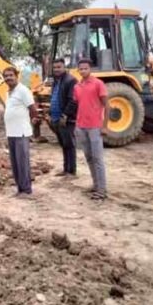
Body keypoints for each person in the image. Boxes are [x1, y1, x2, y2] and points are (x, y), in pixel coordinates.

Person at [74, 58, 109, 200]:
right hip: (81, 127)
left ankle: (102, 190)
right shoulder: (77, 86)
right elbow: (79, 105)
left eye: (85, 68)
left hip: (95, 127)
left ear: (90, 69)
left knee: (97, 158)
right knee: (89, 157)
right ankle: (96, 184)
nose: (83, 71)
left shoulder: (98, 84)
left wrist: (105, 126)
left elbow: (108, 106)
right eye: (81, 69)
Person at [3, 66, 39, 197]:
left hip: (21, 132)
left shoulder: (23, 90)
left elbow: (32, 108)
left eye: (10, 75)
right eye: (6, 76)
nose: (8, 78)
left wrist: (32, 121)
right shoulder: (8, 93)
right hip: (11, 132)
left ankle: (26, 189)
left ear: (16, 76)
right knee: (15, 162)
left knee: (22, 161)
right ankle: (20, 188)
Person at [50, 58, 78, 177]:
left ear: (64, 67)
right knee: (63, 144)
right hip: (56, 118)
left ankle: (71, 171)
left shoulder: (70, 80)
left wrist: (65, 115)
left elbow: (73, 100)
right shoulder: (56, 81)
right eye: (55, 67)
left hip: (66, 119)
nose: (56, 69)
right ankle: (66, 169)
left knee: (69, 144)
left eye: (59, 67)